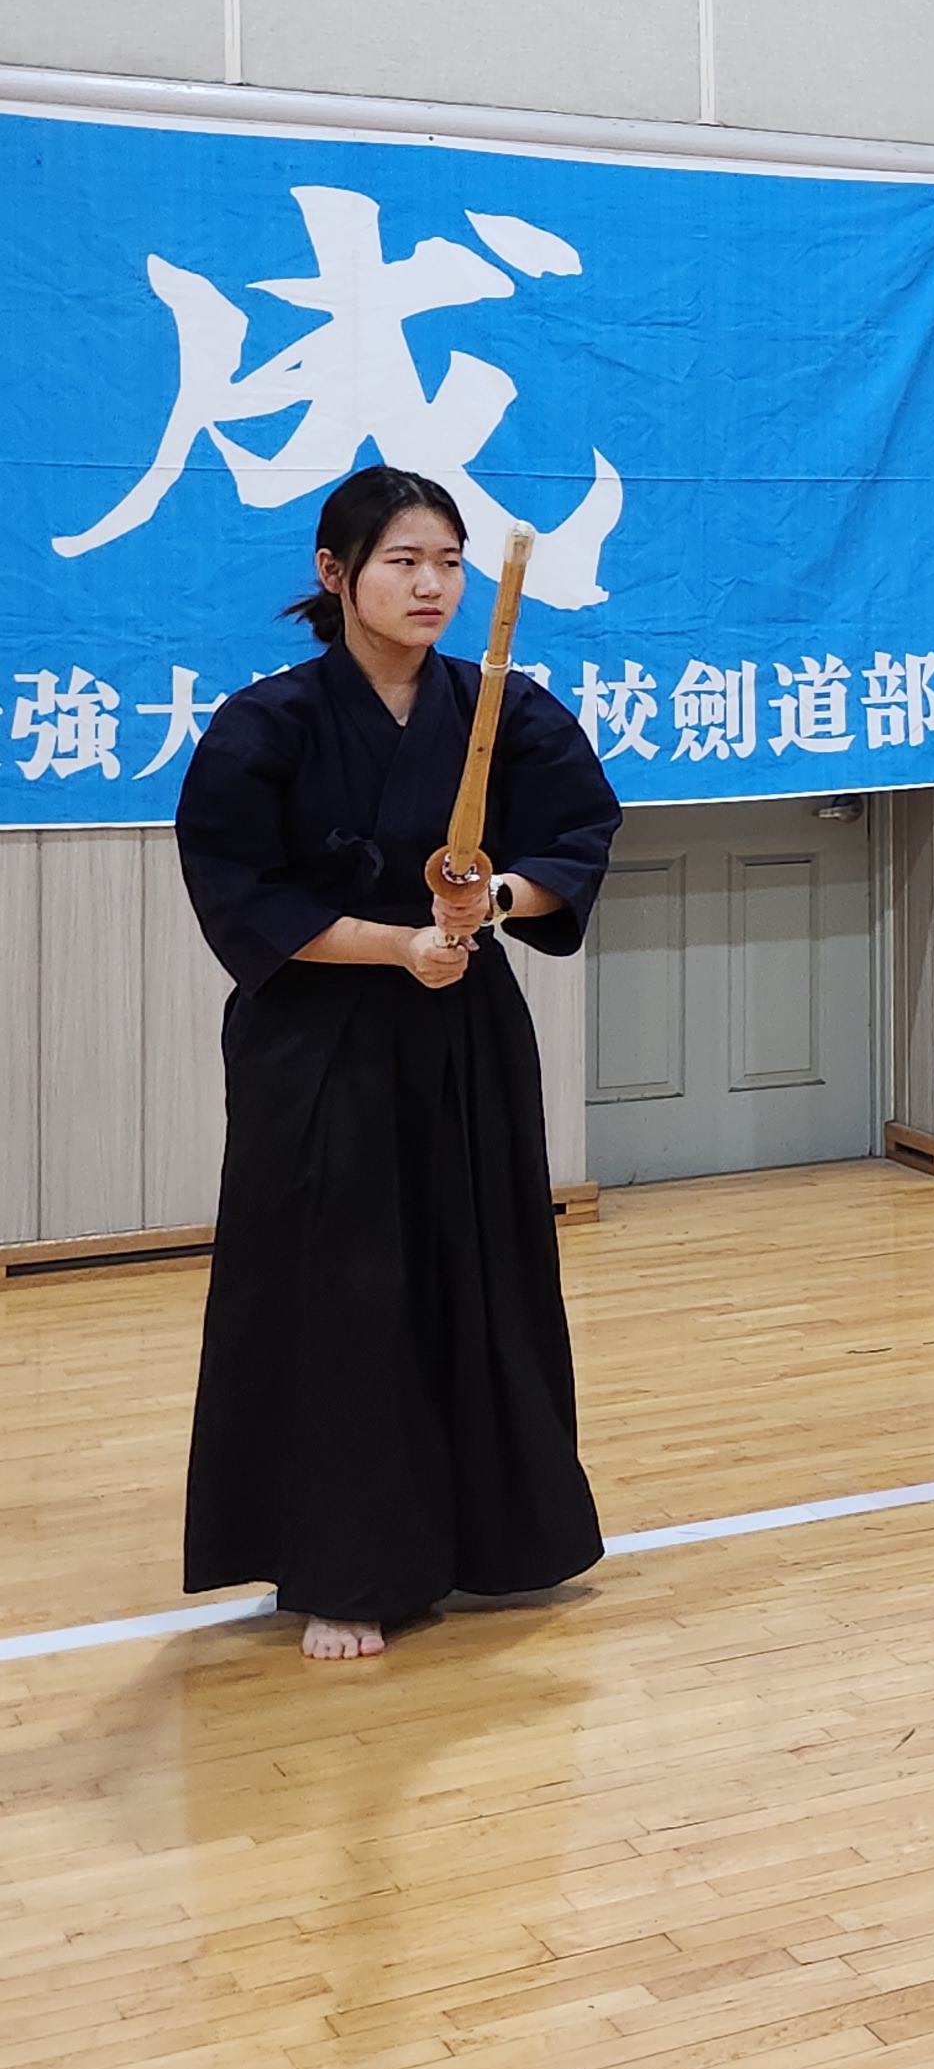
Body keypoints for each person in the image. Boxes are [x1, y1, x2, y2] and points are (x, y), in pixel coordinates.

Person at [173, 464, 623, 1661]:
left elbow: (577, 837)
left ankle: (494, 1536)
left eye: (450, 563)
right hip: (317, 1039)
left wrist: (493, 900)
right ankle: (347, 1565)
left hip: (463, 1029)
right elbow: (242, 894)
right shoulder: (266, 724)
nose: (432, 586)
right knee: (344, 1291)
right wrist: (397, 945)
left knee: (480, 1269)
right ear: (335, 574)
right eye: (403, 562)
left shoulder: (501, 709)